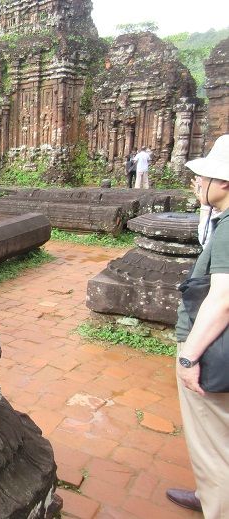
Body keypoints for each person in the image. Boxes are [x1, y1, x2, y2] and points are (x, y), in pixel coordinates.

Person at [166, 134, 229, 518]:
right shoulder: (219, 222)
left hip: (212, 350)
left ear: (224, 183)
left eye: (203, 177)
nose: (196, 182)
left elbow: (222, 299)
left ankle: (217, 502)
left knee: (213, 442)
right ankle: (210, 494)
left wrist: (188, 357)